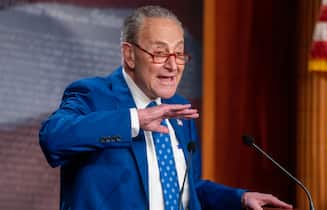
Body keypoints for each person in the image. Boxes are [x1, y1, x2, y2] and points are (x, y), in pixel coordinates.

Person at [39, 5, 293, 210]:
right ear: (129, 55)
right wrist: (135, 121)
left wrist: (238, 198)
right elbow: (53, 139)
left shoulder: (179, 107)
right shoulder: (92, 94)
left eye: (179, 53)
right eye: (160, 53)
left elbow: (189, 188)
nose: (173, 66)